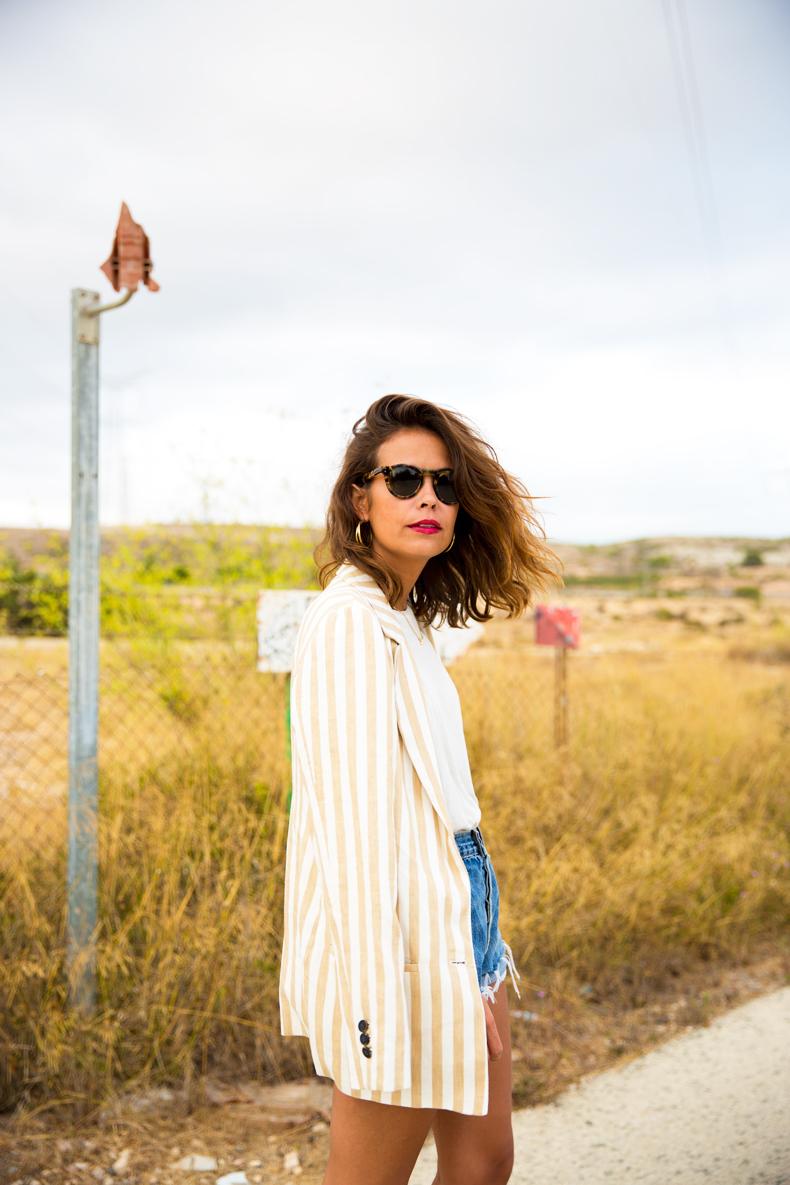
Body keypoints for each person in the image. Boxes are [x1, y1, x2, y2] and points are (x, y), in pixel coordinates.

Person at [279, 394, 562, 1185]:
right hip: (400, 935)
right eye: (402, 478)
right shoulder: (348, 622)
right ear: (359, 500)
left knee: (483, 1160)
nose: (427, 497)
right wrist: (381, 1002)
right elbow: (354, 836)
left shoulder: (407, 617)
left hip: (464, 895)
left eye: (444, 483)